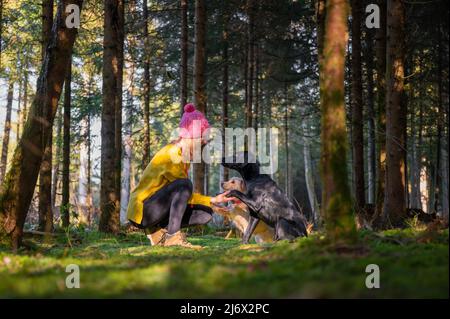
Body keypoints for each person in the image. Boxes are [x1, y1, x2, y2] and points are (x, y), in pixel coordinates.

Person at [126, 103, 231, 249]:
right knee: (185, 184)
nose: (204, 141)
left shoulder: (183, 156)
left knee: (205, 213)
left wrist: (212, 202)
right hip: (143, 210)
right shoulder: (173, 154)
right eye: (202, 137)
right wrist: (211, 199)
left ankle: (158, 232)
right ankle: (172, 237)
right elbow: (183, 191)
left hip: (155, 208)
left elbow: (181, 198)